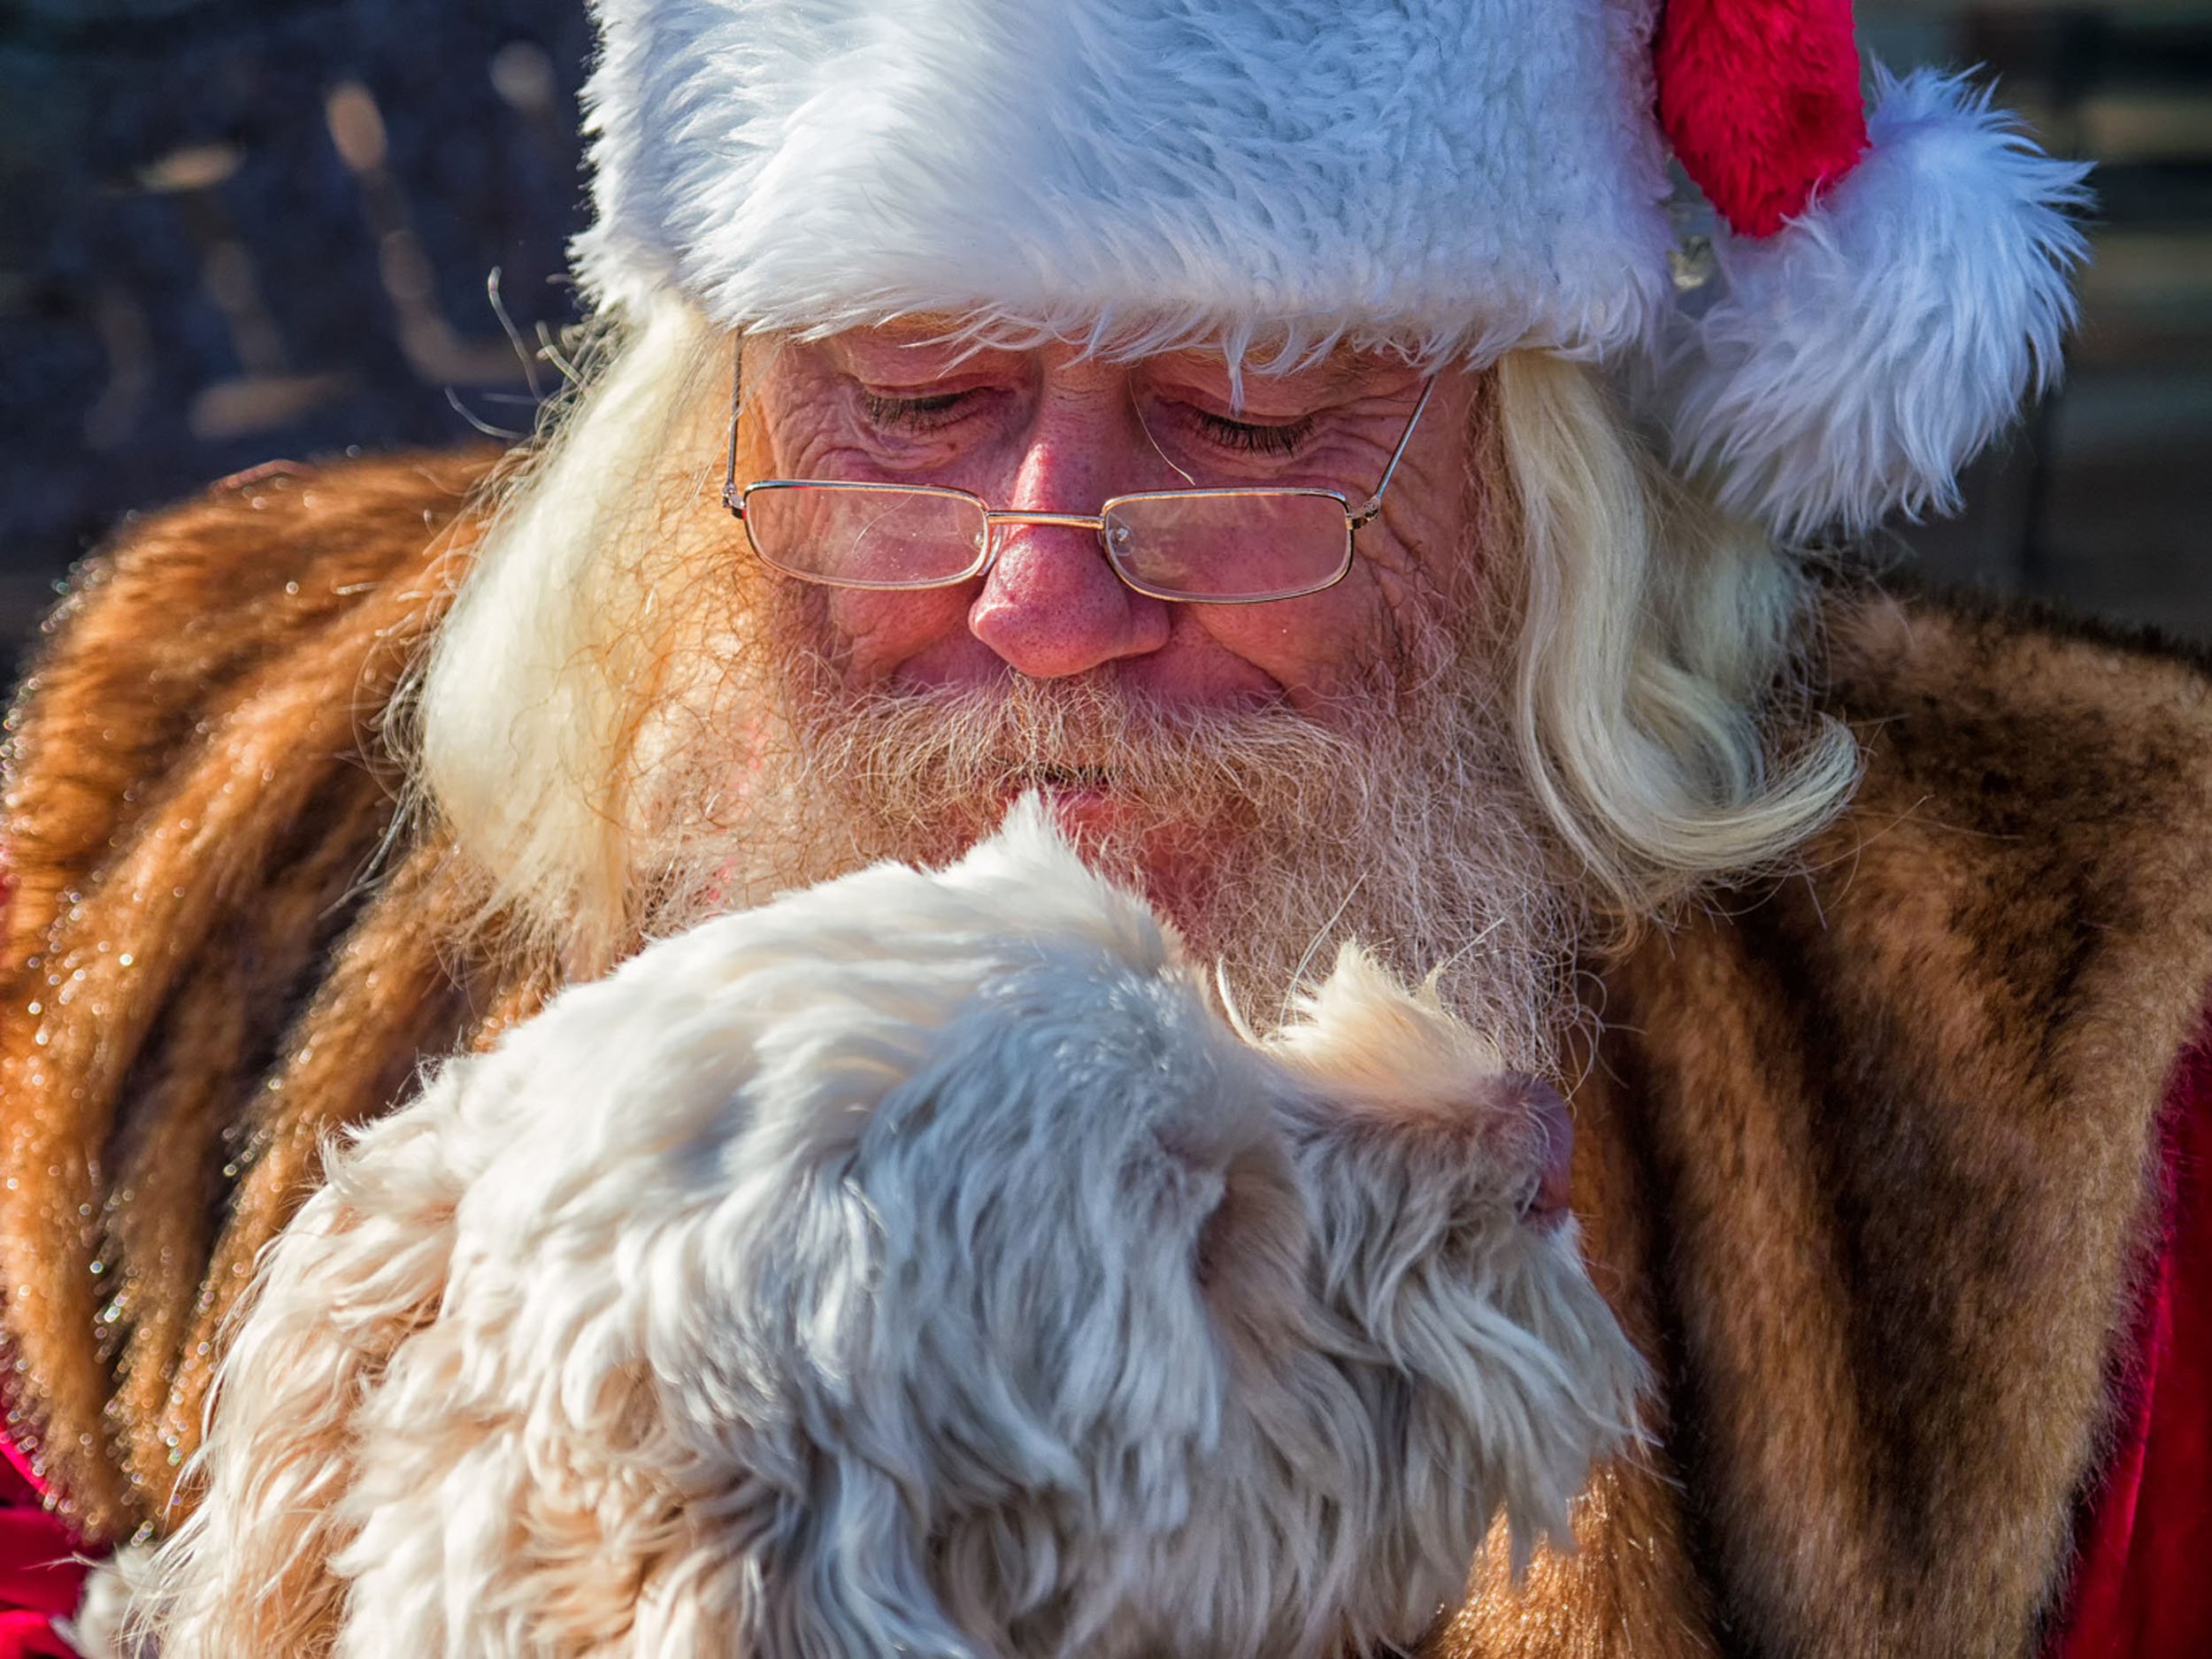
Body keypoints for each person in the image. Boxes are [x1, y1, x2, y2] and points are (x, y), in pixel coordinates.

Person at [0, 0, 2205, 1655]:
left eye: (1245, 414)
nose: (1040, 594)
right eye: (913, 399)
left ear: (1548, 492)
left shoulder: (2056, 1056)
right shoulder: (203, 871)